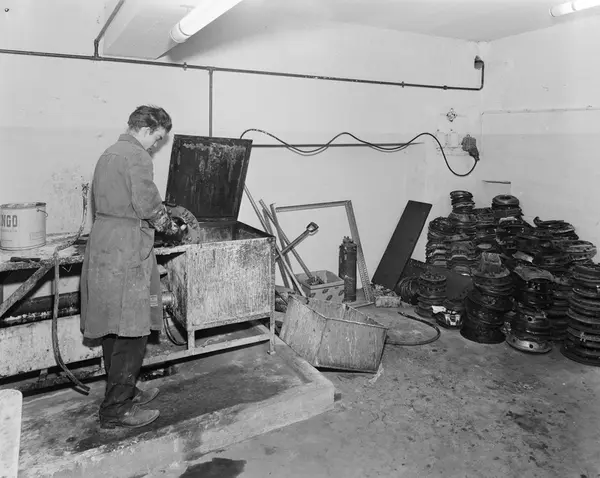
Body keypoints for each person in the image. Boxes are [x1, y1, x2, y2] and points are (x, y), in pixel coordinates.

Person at [80, 105, 181, 429]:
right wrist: (171, 227)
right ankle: (116, 409)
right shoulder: (137, 156)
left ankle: (125, 391)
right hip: (126, 249)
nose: (156, 145)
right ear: (147, 130)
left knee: (113, 326)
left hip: (104, 243)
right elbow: (148, 205)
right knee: (132, 330)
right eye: (158, 138)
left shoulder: (109, 153)